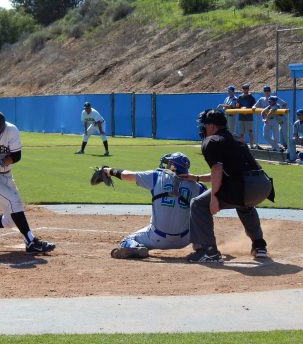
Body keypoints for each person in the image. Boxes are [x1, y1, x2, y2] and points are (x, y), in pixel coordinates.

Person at [182, 109, 274, 263]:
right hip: (263, 186)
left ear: (211, 126)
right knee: (244, 205)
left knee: (198, 204)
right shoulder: (236, 138)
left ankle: (209, 251)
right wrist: (197, 178)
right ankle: (259, 246)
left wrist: (214, 198)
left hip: (245, 187)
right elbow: (229, 173)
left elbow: (217, 169)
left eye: (204, 125)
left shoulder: (211, 141)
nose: (202, 128)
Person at [0, 110, 56, 253]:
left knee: (10, 220)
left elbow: (16, 155)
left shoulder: (11, 131)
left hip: (6, 175)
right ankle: (31, 242)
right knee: (15, 202)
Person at [103, 152, 206, 259]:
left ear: (173, 166)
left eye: (169, 163)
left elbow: (126, 175)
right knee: (200, 218)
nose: (166, 166)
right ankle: (202, 247)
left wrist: (108, 170)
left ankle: (136, 247)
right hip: (185, 240)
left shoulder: (157, 176)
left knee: (127, 240)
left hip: (157, 238)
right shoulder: (198, 187)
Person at [253, 85, 288, 150]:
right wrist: (264, 119)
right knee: (265, 136)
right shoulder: (262, 99)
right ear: (263, 92)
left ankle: (276, 149)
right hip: (267, 120)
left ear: (270, 91)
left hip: (275, 119)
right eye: (265, 91)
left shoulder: (275, 98)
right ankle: (277, 148)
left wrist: (281, 111)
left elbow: (284, 104)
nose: (267, 92)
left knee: (276, 137)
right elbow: (256, 108)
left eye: (268, 90)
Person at [235, 83, 257, 149]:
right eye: (244, 88)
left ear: (248, 89)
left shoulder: (251, 98)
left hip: (249, 118)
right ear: (242, 89)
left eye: (246, 88)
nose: (245, 90)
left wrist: (247, 108)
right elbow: (237, 106)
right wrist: (239, 107)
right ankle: (242, 146)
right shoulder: (239, 97)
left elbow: (254, 106)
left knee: (250, 132)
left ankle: (252, 146)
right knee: (241, 133)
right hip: (241, 117)